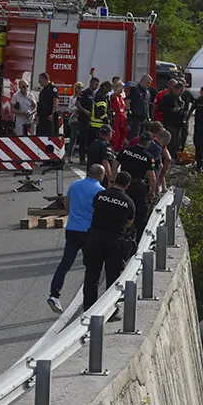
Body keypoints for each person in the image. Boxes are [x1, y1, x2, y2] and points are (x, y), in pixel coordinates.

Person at [48, 164, 106, 313]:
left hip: (72, 228)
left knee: (65, 263)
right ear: (100, 175)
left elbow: (68, 205)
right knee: (92, 267)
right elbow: (98, 213)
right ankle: (89, 303)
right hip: (88, 232)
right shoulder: (100, 191)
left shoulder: (74, 185)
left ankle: (54, 294)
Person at [82, 171, 136, 310]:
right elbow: (129, 224)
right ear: (127, 185)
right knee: (113, 277)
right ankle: (110, 309)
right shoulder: (129, 202)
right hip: (115, 240)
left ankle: (89, 307)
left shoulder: (101, 196)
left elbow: (94, 212)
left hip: (96, 237)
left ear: (114, 180)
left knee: (92, 274)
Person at [113, 132, 158, 241]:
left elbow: (114, 165)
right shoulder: (148, 157)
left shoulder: (126, 150)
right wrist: (153, 191)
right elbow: (151, 177)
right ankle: (139, 240)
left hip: (123, 186)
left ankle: (120, 234)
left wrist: (112, 181)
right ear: (148, 143)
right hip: (139, 188)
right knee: (141, 214)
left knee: (120, 210)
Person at [76, 77, 99, 164]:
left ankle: (89, 158)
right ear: (91, 83)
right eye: (95, 84)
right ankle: (82, 159)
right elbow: (77, 103)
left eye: (97, 85)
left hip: (92, 120)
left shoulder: (94, 94)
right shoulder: (84, 93)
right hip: (83, 119)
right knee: (83, 139)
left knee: (91, 139)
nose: (96, 87)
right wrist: (85, 111)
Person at [127, 74, 153, 139]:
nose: (149, 84)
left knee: (143, 137)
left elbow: (147, 103)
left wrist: (148, 117)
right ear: (142, 81)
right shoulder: (135, 89)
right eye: (148, 83)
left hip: (144, 118)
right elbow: (127, 101)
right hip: (136, 117)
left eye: (150, 83)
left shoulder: (148, 91)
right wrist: (129, 114)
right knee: (135, 136)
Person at [110, 81, 129, 151]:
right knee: (116, 136)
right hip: (117, 118)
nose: (122, 90)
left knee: (123, 135)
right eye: (121, 88)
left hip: (123, 119)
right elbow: (115, 94)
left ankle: (119, 150)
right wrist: (120, 86)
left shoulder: (121, 98)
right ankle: (113, 150)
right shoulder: (113, 96)